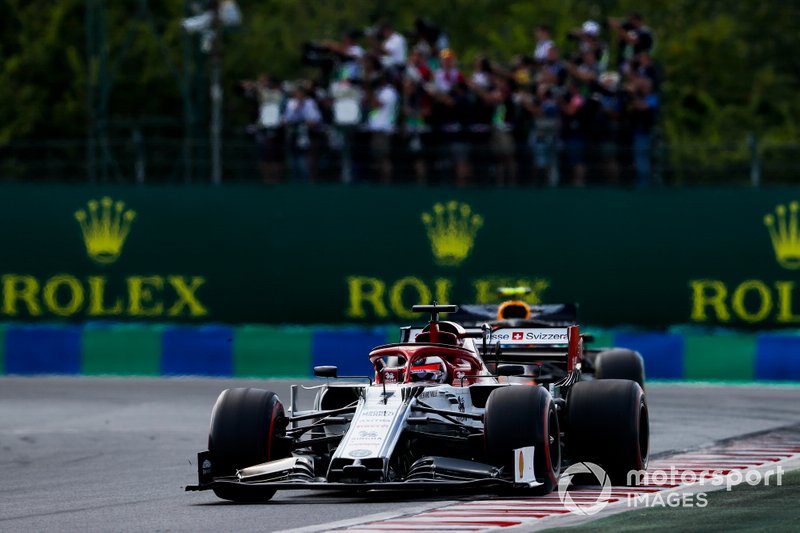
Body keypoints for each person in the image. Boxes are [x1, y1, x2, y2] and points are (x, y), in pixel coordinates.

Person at [282, 84, 322, 181]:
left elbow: (315, 119)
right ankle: (296, 179)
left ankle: (310, 180)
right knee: (294, 160)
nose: (297, 95)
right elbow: (286, 118)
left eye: (299, 93)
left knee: (308, 160)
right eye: (295, 94)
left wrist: (305, 121)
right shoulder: (291, 103)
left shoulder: (310, 103)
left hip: (308, 135)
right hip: (294, 135)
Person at [366, 73, 399, 183]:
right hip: (376, 129)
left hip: (383, 130)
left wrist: (368, 90)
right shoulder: (379, 92)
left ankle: (386, 181)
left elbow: (377, 104)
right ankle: (380, 180)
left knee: (384, 157)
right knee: (377, 158)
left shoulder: (389, 92)